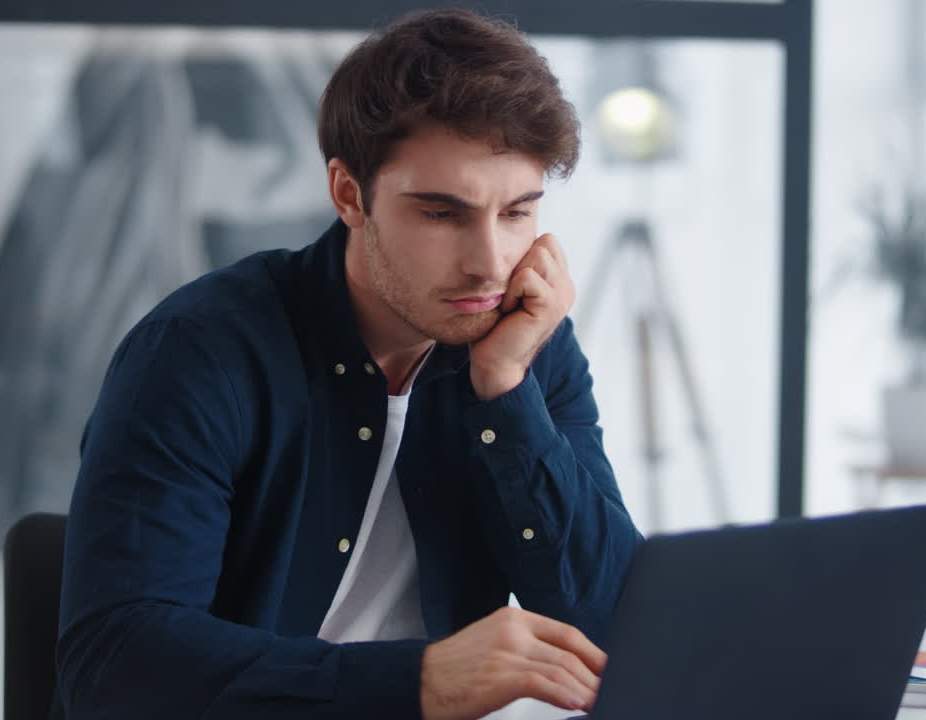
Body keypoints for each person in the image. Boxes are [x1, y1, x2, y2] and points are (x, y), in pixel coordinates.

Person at [56, 8, 641, 719]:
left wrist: (507, 392)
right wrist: (420, 681)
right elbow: (115, 663)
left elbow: (617, 631)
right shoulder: (196, 354)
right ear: (347, 195)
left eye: (517, 213)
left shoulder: (528, 346)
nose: (490, 264)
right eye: (441, 214)